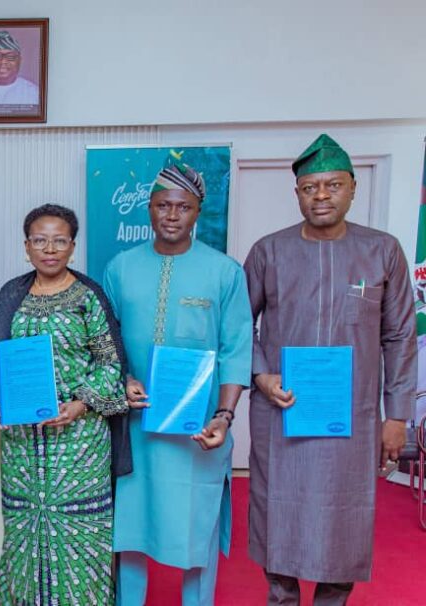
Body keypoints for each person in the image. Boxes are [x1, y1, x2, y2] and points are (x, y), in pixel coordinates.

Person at [244, 134, 416, 605]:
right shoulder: (268, 252)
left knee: (343, 517)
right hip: (283, 414)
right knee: (278, 513)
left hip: (352, 418)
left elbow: (399, 335)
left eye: (332, 185)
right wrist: (261, 375)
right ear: (297, 192)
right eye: (309, 187)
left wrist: (396, 416)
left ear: (353, 188)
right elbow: (240, 327)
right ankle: (281, 597)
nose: (321, 195)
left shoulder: (382, 251)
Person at [104, 156, 253, 606]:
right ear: (148, 208)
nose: (171, 215)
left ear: (197, 212)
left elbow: (236, 349)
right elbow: (105, 342)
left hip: (197, 430)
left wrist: (224, 416)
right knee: (130, 527)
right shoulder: (120, 268)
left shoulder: (225, 272)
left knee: (197, 528)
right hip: (135, 425)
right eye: (162, 205)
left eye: (182, 207)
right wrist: (123, 377)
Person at [0, 204, 131, 604]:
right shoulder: (13, 293)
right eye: (40, 240)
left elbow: (111, 362)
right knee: (25, 528)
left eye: (59, 241)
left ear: (72, 247)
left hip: (80, 443)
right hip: (25, 442)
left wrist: (80, 404)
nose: (49, 249)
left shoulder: (88, 296)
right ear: (26, 246)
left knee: (79, 531)